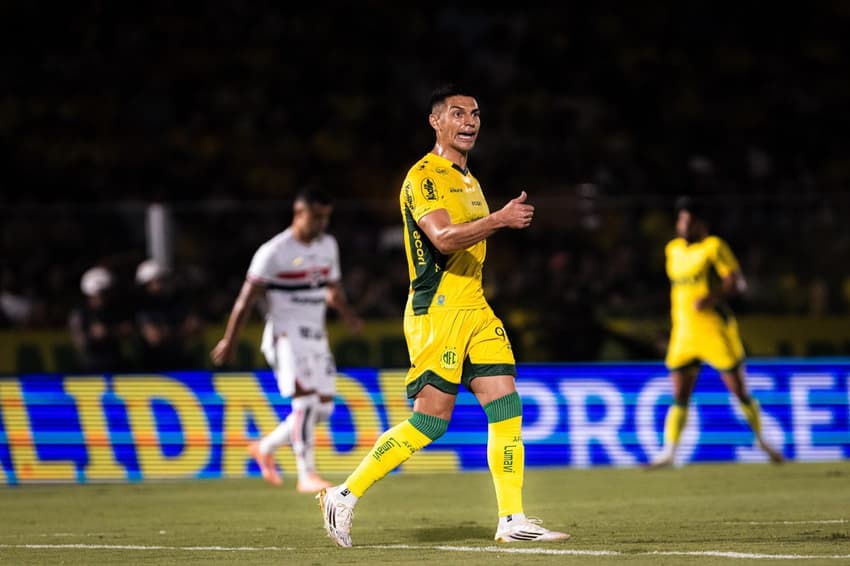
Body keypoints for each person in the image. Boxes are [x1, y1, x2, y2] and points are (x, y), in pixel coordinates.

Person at [318, 84, 570, 547]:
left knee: (506, 405)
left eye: (475, 114)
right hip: (438, 309)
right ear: (436, 122)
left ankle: (511, 519)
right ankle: (344, 494)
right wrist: (498, 220)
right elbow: (444, 239)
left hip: (475, 305)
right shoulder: (425, 177)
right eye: (458, 114)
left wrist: (494, 219)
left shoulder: (470, 180)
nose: (470, 121)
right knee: (431, 422)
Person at [210, 187, 363, 493]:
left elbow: (332, 288)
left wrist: (347, 314)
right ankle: (306, 474)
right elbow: (245, 301)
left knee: (322, 410)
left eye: (326, 218)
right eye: (316, 217)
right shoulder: (273, 252)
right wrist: (230, 340)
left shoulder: (328, 245)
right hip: (286, 336)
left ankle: (264, 448)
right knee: (305, 402)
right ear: (299, 213)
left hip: (317, 336)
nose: (321, 224)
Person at [648, 196, 784, 468]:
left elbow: (738, 283)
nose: (683, 225)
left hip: (715, 331)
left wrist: (711, 298)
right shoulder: (672, 250)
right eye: (680, 219)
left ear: (701, 225)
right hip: (684, 332)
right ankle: (670, 452)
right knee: (680, 395)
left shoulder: (714, 247)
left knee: (740, 391)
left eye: (688, 220)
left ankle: (761, 439)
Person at [134, 259, 203, 371]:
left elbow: (196, 328)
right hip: (154, 368)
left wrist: (167, 332)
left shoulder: (177, 302)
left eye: (162, 281)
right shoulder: (143, 309)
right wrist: (182, 331)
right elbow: (154, 339)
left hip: (182, 364)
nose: (159, 286)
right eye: (154, 282)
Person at [68, 266, 134, 372]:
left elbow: (128, 330)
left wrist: (110, 331)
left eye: (106, 293)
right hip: (90, 366)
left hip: (115, 363)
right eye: (99, 294)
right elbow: (78, 341)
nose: (102, 298)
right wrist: (93, 336)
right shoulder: (80, 312)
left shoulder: (116, 309)